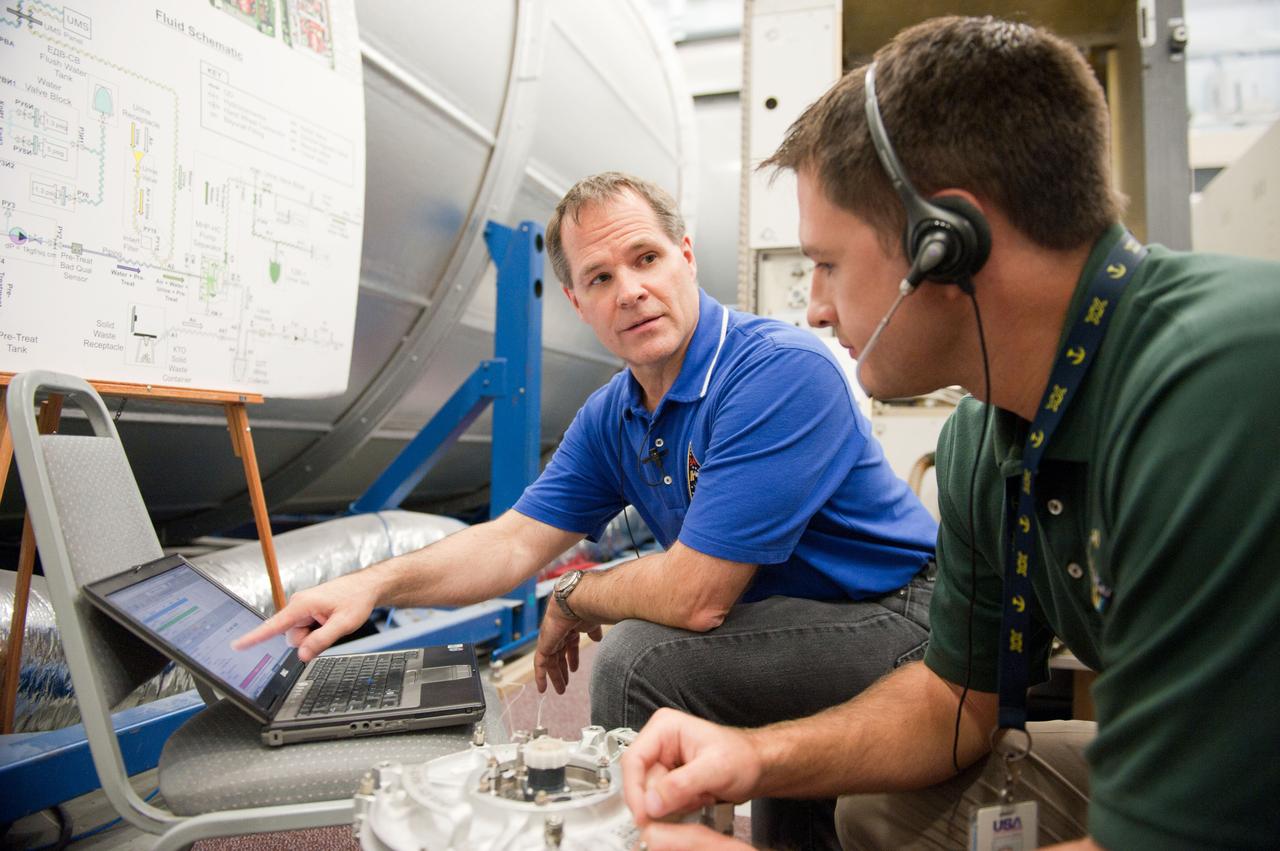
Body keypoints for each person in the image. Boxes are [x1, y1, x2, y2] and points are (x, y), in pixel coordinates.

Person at [621, 16, 1280, 851]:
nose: (814, 307)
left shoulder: (1215, 384)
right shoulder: (984, 439)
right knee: (878, 808)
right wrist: (753, 756)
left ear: (947, 244)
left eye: (827, 263)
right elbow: (952, 703)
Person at [236, 172, 938, 845]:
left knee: (640, 659)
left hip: (904, 617)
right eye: (600, 278)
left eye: (646, 258)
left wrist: (577, 593)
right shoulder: (614, 414)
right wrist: (370, 585)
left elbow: (696, 596)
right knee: (797, 831)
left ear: (686, 256)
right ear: (577, 302)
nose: (630, 291)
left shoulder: (775, 371)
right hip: (786, 622)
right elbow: (512, 542)